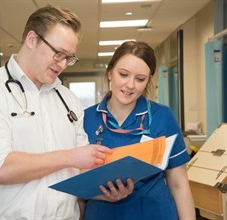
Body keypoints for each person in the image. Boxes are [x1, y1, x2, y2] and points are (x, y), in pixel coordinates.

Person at [0, 5, 133, 220]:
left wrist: (105, 191)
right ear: (32, 40)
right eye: (59, 54)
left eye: (69, 58)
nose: (62, 64)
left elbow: (79, 170)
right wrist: (70, 157)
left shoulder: (68, 100)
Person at [83, 41, 195, 220]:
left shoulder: (162, 116)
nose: (130, 85)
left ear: (148, 80)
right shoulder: (86, 119)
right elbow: (78, 183)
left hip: (155, 213)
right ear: (110, 72)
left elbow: (179, 184)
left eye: (140, 79)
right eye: (123, 74)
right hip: (102, 214)